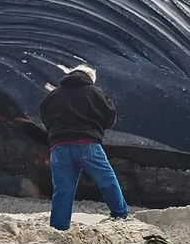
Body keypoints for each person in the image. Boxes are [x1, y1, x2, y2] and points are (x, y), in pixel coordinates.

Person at [38, 65, 129, 230]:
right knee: (106, 180)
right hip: (87, 144)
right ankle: (120, 214)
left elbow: (43, 115)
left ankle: (59, 228)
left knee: (63, 189)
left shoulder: (54, 94)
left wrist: (56, 130)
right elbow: (110, 115)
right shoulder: (94, 92)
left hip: (59, 146)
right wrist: (95, 127)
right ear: (90, 78)